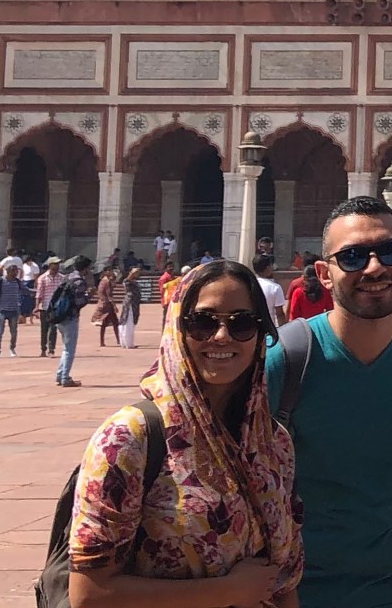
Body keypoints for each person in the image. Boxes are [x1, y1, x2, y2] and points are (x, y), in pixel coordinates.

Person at [268, 195, 392, 608]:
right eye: (354, 256)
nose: (375, 268)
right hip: (292, 596)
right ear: (324, 274)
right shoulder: (285, 360)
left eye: (389, 252)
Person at [66, 258, 301, 608]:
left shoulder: (272, 440)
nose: (221, 336)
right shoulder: (128, 438)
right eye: (203, 322)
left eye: (242, 324)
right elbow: (89, 594)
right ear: (177, 328)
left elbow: (281, 581)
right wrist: (229, 591)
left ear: (260, 335)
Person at [52, 256, 93, 387]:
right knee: (69, 349)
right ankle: (65, 377)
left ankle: (60, 375)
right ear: (85, 268)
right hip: (70, 317)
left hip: (59, 315)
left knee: (65, 348)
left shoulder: (67, 277)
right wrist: (89, 296)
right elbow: (79, 302)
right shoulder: (79, 281)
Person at [0, 259, 28, 356]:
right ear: (8, 271)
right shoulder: (0, 281)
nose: (16, 273)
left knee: (14, 332)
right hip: (2, 310)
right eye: (14, 271)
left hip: (14, 310)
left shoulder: (18, 282)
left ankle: (12, 348)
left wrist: (38, 292)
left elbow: (26, 291)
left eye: (17, 271)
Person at [287, 257, 335, 324]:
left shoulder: (298, 292)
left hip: (302, 326)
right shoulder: (325, 291)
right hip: (319, 325)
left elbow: (293, 315)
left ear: (304, 278)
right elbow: (330, 311)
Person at [35, 258, 65, 355]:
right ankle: (43, 348)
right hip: (45, 307)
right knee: (44, 329)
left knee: (53, 329)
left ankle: (51, 349)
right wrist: (36, 306)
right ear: (50, 265)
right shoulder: (42, 278)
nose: (56, 266)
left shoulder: (62, 278)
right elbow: (39, 294)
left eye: (58, 265)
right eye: (54, 264)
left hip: (56, 307)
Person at [91, 263, 124, 348]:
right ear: (106, 272)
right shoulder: (106, 281)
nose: (111, 272)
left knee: (109, 323)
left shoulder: (103, 280)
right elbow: (109, 295)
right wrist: (114, 306)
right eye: (109, 271)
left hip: (103, 304)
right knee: (111, 323)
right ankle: (116, 340)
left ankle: (107, 341)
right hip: (106, 305)